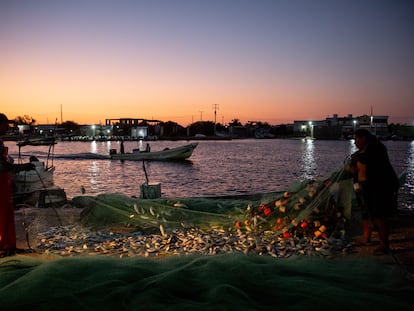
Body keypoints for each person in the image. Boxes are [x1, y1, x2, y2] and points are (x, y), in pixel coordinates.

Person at [350, 128, 400, 255]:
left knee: (380, 215)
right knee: (366, 213)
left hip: (380, 186)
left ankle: (385, 245)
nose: (355, 142)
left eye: (356, 139)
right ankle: (366, 239)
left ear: (364, 138)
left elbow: (369, 160)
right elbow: (357, 165)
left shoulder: (376, 147)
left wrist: (357, 157)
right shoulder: (362, 151)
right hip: (365, 187)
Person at [0, 113, 34, 257]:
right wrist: (23, 167)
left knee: (8, 215)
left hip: (4, 183)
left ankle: (9, 246)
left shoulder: (0, 141)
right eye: (5, 124)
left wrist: (11, 181)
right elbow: (1, 167)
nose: (8, 127)